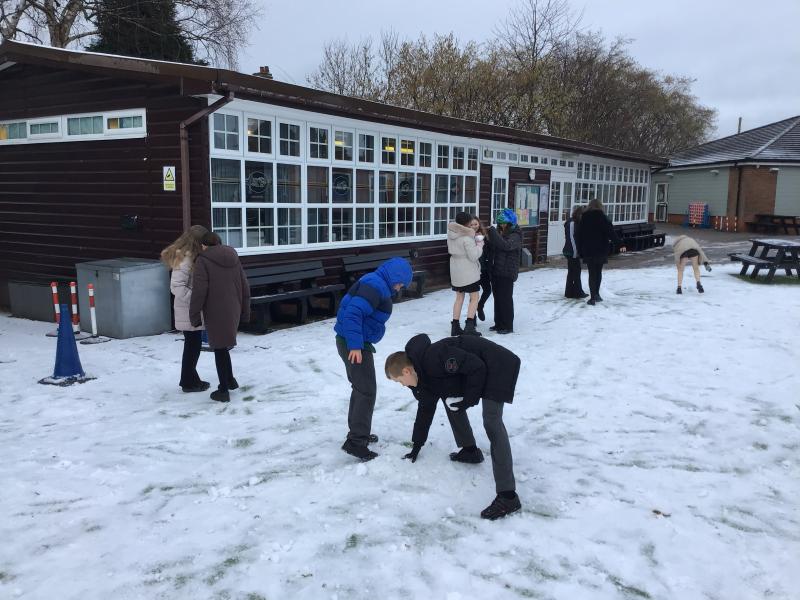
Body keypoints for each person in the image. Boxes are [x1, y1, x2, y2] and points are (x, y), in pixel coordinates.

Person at [385, 333, 522, 520]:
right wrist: (417, 444)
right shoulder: (423, 378)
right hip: (480, 368)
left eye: (399, 380)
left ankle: (508, 496)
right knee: (450, 400)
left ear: (407, 371)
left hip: (498, 365)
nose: (402, 385)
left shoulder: (434, 358)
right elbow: (425, 409)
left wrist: (469, 400)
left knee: (492, 421)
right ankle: (470, 450)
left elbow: (477, 367)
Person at [334, 257, 413, 461]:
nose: (399, 288)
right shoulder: (375, 286)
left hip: (355, 341)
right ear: (394, 277)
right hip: (354, 344)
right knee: (366, 390)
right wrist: (355, 345)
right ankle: (356, 442)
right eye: (400, 283)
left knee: (361, 388)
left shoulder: (376, 282)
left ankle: (358, 433)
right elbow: (353, 314)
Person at [189, 232, 250, 403]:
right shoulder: (233, 257)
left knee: (219, 348)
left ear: (204, 245)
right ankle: (230, 380)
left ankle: (223, 390)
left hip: (215, 309)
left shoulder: (203, 260)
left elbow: (199, 291)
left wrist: (194, 315)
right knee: (223, 345)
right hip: (234, 307)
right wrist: (245, 311)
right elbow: (244, 285)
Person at [160, 225, 210, 393]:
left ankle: (190, 379)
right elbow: (177, 286)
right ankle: (188, 382)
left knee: (193, 345)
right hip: (188, 310)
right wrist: (196, 300)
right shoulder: (185, 259)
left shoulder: (191, 257)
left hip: (192, 310)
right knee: (192, 346)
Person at [576, 198, 626, 305]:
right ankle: (597, 294)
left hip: (588, 249)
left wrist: (579, 250)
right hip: (601, 249)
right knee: (598, 272)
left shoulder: (584, 218)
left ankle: (592, 297)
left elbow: (579, 235)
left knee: (591, 273)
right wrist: (620, 244)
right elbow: (611, 233)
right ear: (600, 206)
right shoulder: (603, 217)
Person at [448, 211, 484, 336]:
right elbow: (474, 256)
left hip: (455, 269)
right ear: (467, 223)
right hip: (468, 271)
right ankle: (469, 326)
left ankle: (455, 326)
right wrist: (479, 245)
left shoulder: (451, 233)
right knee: (474, 298)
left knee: (459, 298)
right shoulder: (467, 237)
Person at [487, 208, 522, 334]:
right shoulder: (500, 232)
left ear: (510, 223)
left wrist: (493, 233)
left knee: (505, 299)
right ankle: (498, 323)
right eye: (500, 223)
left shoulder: (516, 235)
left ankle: (507, 325)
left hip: (507, 272)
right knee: (497, 298)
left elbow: (506, 246)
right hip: (496, 270)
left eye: (504, 223)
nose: (501, 225)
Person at [562, 206, 588, 299]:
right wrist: (575, 252)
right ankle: (578, 292)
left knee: (572, 272)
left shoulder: (574, 222)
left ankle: (569, 292)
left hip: (571, 251)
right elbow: (571, 238)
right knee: (576, 272)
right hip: (571, 251)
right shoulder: (572, 223)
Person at [474, 215, 493, 322]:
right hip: (473, 270)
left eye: (476, 224)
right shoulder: (467, 237)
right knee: (474, 294)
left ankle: (480, 306)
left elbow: (489, 250)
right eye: (471, 224)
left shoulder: (484, 236)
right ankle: (472, 318)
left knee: (488, 290)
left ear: (479, 224)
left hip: (484, 269)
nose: (474, 226)